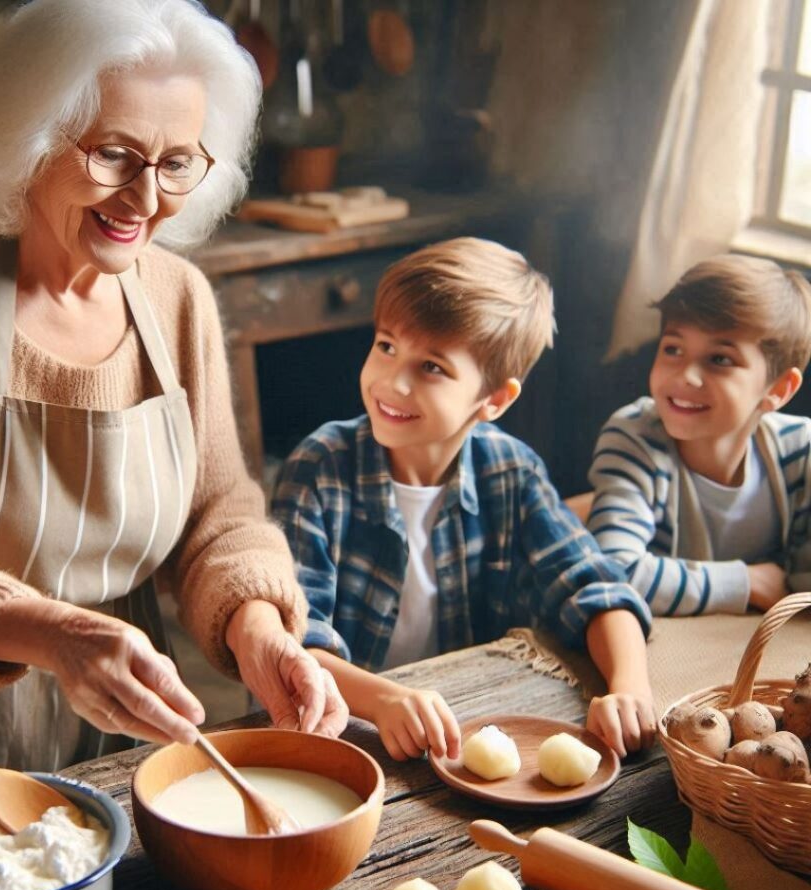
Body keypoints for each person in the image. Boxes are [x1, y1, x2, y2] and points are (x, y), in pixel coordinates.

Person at [0, 0, 346, 819]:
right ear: (25, 135)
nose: (144, 198)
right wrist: (54, 636)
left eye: (177, 163)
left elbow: (218, 513)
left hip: (118, 744)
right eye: (116, 154)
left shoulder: (178, 300)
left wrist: (259, 629)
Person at [272, 238, 656, 760]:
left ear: (494, 399)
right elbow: (293, 641)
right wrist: (383, 700)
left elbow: (596, 589)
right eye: (386, 345)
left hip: (467, 727)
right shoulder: (320, 467)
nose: (392, 381)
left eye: (431, 367)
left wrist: (629, 687)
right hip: (339, 729)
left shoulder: (510, 471)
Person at [587, 254, 811, 616]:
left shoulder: (800, 452)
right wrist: (747, 584)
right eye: (673, 349)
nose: (686, 376)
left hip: (757, 650)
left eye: (719, 359)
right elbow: (611, 572)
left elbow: (802, 592)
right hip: (662, 647)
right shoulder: (636, 437)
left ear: (780, 388)